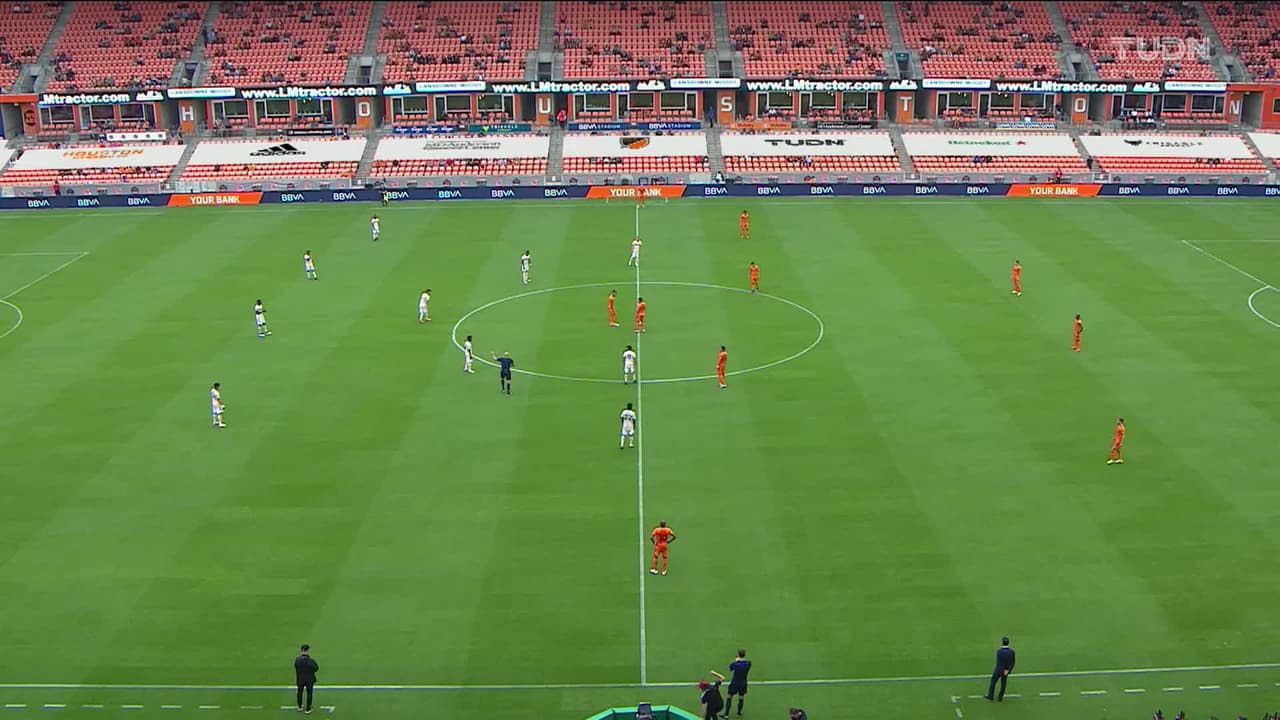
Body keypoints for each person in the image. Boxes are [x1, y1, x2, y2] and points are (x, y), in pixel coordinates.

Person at [985, 636, 1015, 701]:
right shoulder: (1012, 652)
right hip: (1005, 670)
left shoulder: (999, 651)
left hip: (998, 670)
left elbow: (998, 662)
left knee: (993, 682)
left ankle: (990, 696)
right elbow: (1012, 663)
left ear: (1002, 643)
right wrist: (1008, 670)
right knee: (1003, 683)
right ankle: (1000, 697)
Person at [723, 649, 751, 718]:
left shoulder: (734, 664)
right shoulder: (748, 663)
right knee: (741, 697)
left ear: (738, 654)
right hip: (743, 683)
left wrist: (737, 661)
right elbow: (745, 664)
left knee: (729, 697)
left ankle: (726, 714)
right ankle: (739, 713)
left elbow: (730, 669)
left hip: (734, 683)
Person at [294, 643, 319, 714]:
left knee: (299, 692)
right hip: (309, 680)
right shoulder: (310, 660)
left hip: (300, 679)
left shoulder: (297, 660)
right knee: (309, 693)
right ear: (307, 651)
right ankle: (308, 709)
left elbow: (296, 667)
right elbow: (316, 668)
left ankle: (299, 706)